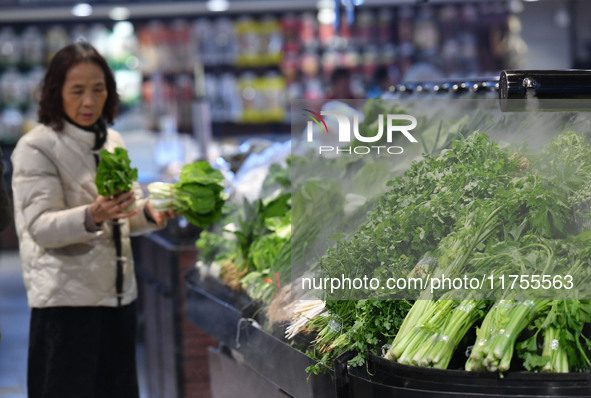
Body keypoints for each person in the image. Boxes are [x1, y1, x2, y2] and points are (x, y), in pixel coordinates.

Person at [11, 42, 174, 398]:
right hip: (66, 308)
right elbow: (40, 227)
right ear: (56, 94)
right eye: (77, 91)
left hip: (118, 300)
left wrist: (150, 213)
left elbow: (124, 217)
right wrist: (92, 214)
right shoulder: (36, 148)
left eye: (98, 89)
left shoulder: (112, 141)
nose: (88, 101)